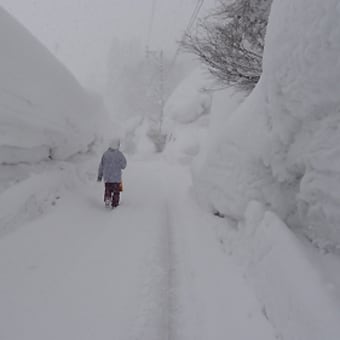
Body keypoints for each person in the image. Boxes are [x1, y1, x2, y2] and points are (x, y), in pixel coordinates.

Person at [97, 138, 127, 208]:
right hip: (116, 178)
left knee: (108, 189)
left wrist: (100, 176)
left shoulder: (105, 154)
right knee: (116, 192)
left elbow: (101, 165)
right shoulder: (120, 154)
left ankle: (107, 198)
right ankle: (115, 204)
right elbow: (124, 165)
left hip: (107, 177)